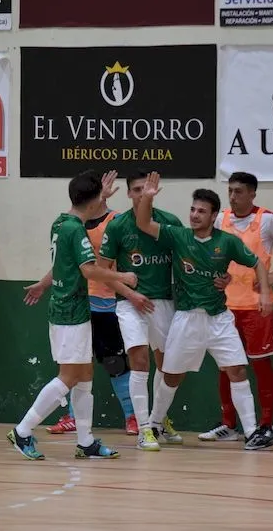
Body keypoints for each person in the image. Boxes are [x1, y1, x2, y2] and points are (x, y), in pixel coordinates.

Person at [135, 172, 273, 451]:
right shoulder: (179, 236)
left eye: (201, 211)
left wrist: (264, 293)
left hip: (219, 318)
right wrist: (147, 199)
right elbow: (143, 223)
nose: (194, 215)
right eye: (192, 209)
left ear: (214, 216)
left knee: (237, 370)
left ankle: (251, 433)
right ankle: (154, 423)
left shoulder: (227, 242)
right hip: (187, 318)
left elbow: (257, 264)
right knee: (172, 375)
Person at [8, 170, 138, 460]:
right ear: (93, 201)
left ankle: (86, 441)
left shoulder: (60, 222)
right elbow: (89, 270)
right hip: (70, 312)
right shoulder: (75, 230)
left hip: (70, 309)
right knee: (69, 377)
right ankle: (22, 431)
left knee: (85, 375)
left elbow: (64, 263)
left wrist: (43, 284)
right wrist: (123, 276)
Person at [198, 171, 273, 443]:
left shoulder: (268, 220)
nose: (233, 196)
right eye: (230, 191)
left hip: (257, 307)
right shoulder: (220, 219)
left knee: (261, 365)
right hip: (224, 306)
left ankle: (265, 425)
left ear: (252, 194)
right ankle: (228, 424)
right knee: (226, 366)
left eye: (239, 191)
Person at [97, 170, 188, 450]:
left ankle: (158, 418)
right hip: (129, 303)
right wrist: (130, 294)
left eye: (145, 189)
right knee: (139, 360)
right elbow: (102, 270)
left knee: (169, 366)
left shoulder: (169, 222)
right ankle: (144, 429)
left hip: (164, 302)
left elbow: (187, 260)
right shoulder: (117, 226)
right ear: (128, 193)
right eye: (136, 189)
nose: (141, 194)